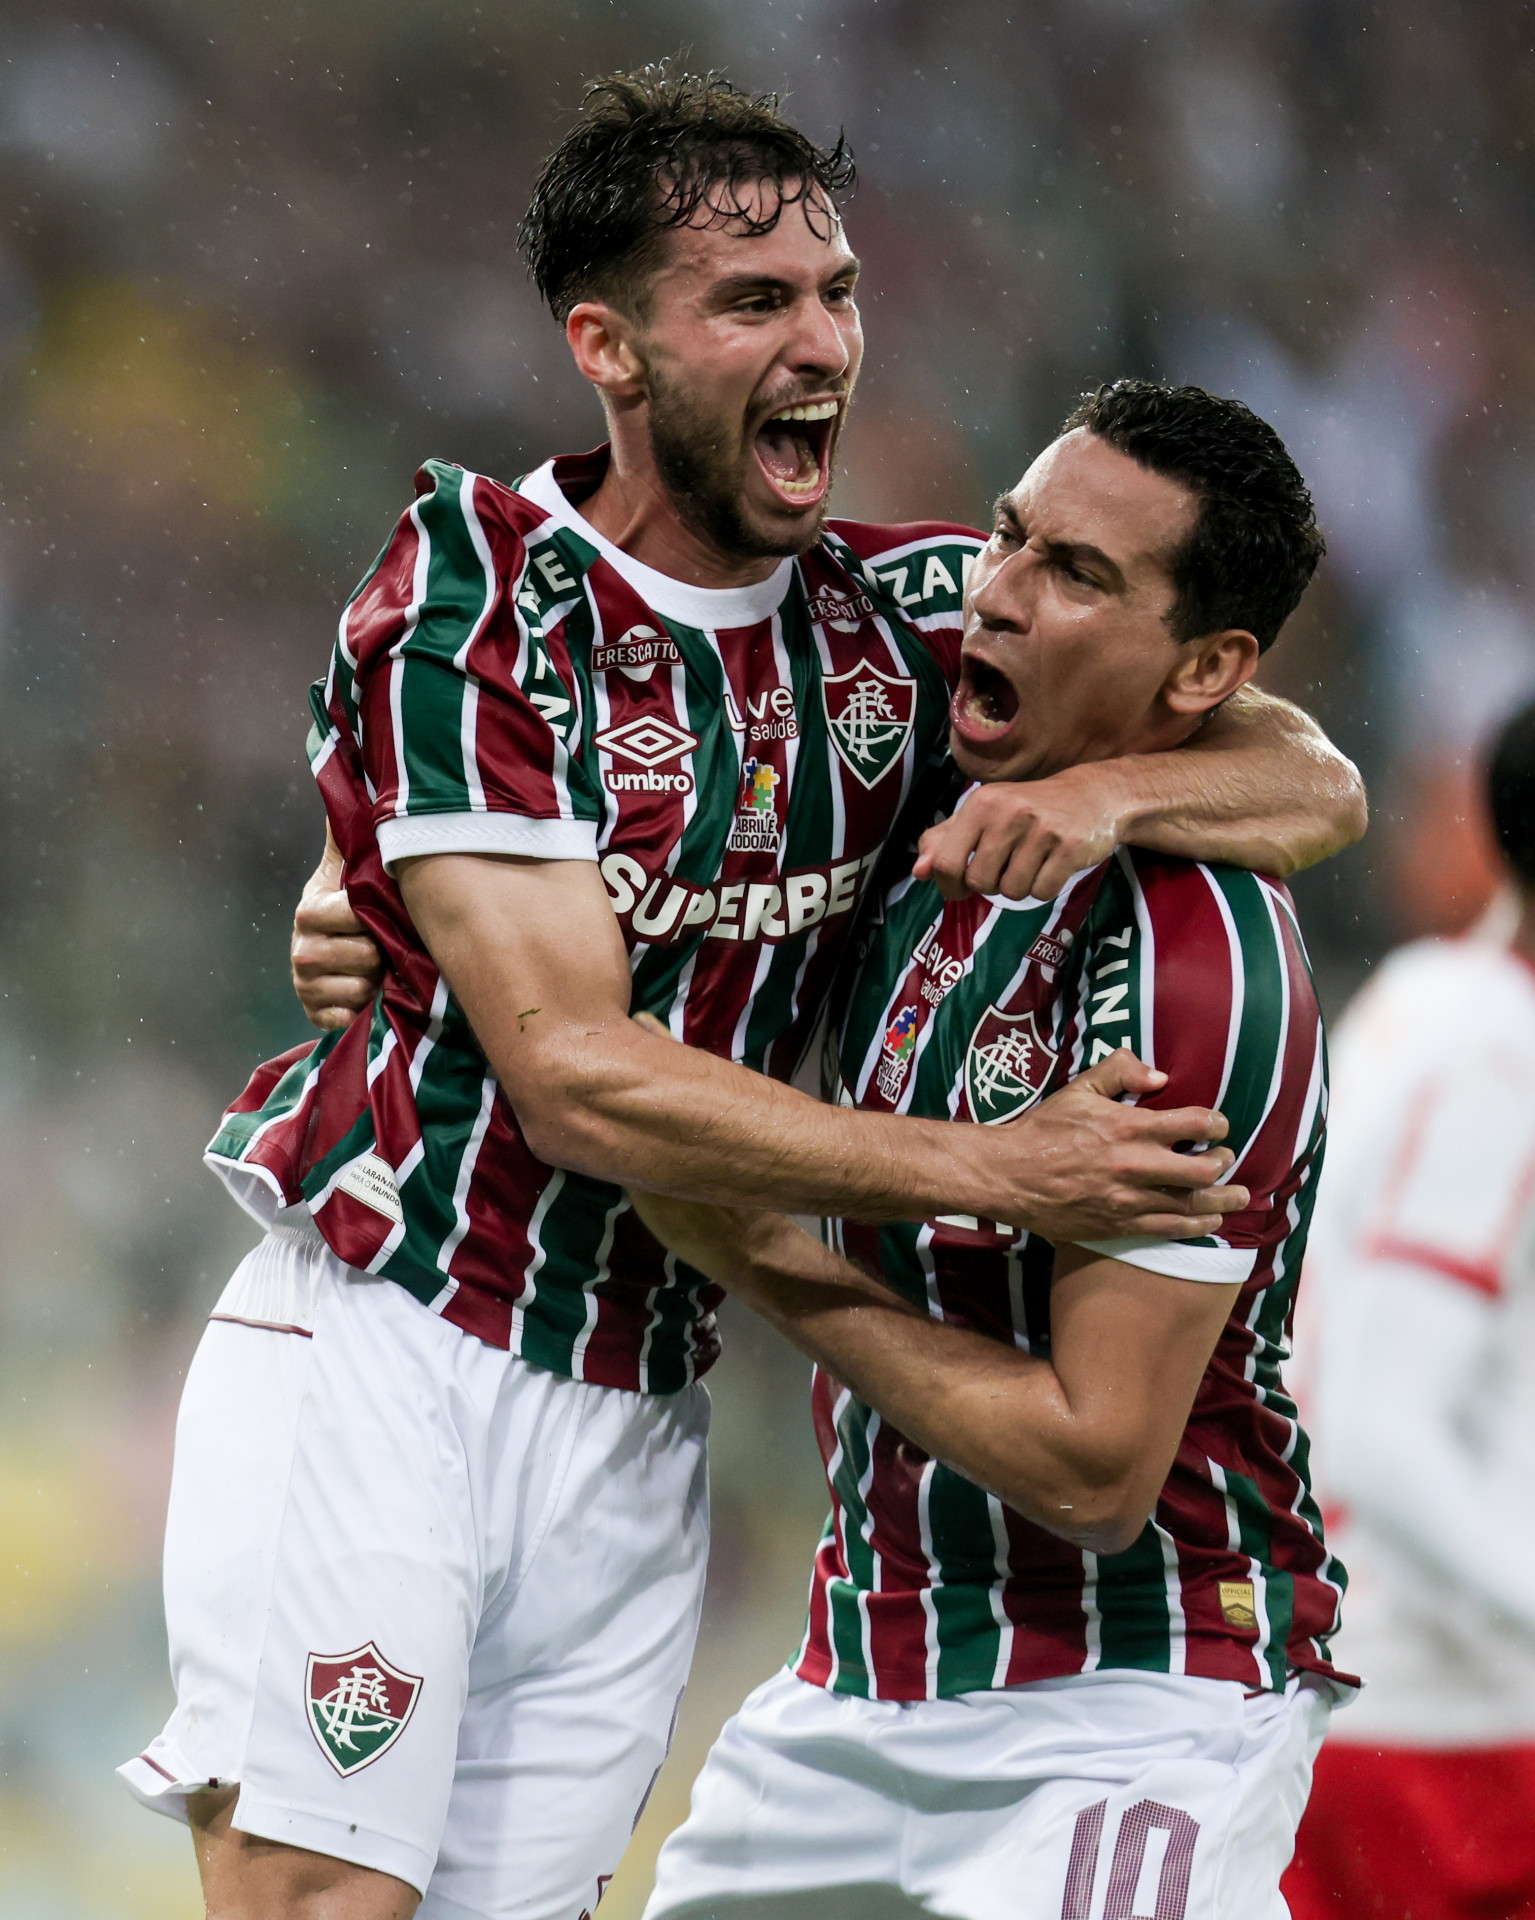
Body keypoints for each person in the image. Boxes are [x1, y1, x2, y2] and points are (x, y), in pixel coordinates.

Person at [120, 68, 1363, 1920]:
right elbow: (575, 1085)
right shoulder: (475, 588)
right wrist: (995, 1168)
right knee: (321, 1904)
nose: (824, 342)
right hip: (398, 1329)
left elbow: (1309, 774)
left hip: (638, 1411)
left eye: (840, 291)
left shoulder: (896, 623)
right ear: (610, 349)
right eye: (756, 301)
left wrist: (1105, 793)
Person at [630, 380, 1352, 1920]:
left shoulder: (1189, 961)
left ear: (1206, 671)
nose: (1000, 593)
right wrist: (361, 898)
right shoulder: (936, 796)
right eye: (1012, 538)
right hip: (854, 1675)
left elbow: (1092, 1467)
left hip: (1129, 1698)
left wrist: (757, 1255)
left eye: (1077, 577)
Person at [1282, 698, 1535, 1920]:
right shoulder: (1497, 1060)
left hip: (1379, 1709)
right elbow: (1383, 1428)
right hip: (1444, 1739)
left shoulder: (1431, 1003)